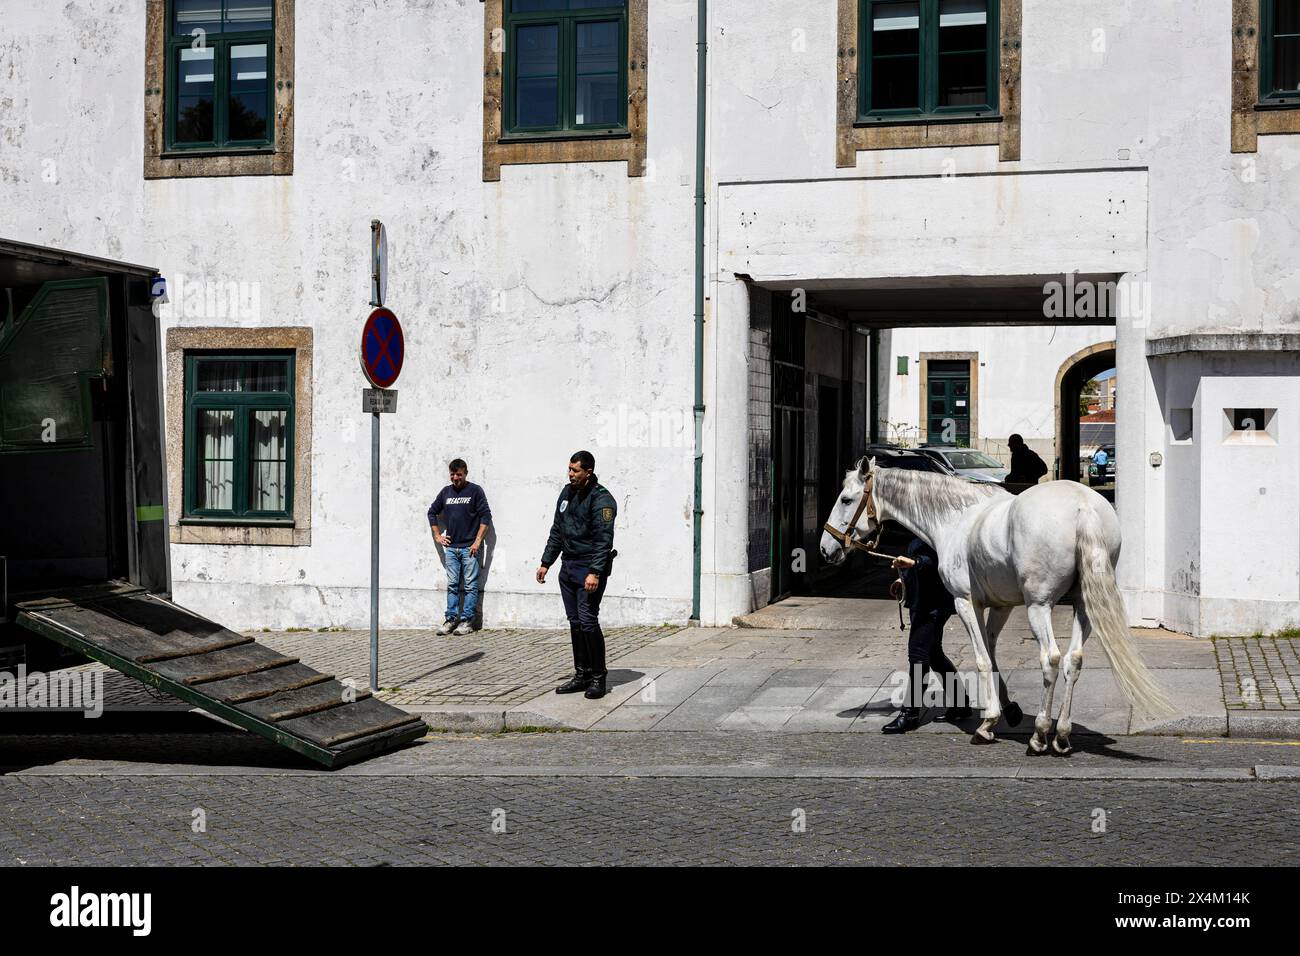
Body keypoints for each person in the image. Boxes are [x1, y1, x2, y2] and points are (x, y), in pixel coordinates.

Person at [536, 450, 618, 700]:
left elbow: (604, 540)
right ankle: (581, 674)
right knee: (575, 621)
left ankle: (598, 677)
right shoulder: (567, 493)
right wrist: (545, 562)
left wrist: (595, 572)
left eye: (575, 471)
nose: (570, 474)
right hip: (568, 566)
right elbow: (557, 530)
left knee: (588, 620)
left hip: (588, 568)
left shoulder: (602, 499)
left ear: (588, 472)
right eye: (569, 470)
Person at [882, 536, 969, 734]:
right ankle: (960, 704)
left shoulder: (936, 530)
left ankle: (910, 714)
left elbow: (942, 560)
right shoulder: (917, 533)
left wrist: (915, 562)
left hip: (934, 604)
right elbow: (915, 561)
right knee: (934, 655)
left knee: (918, 654)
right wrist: (901, 577)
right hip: (922, 601)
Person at [428, 459, 492, 635]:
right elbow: (432, 512)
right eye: (452, 474)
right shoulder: (446, 492)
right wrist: (438, 536)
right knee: (453, 585)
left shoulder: (475, 491)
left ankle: (467, 622)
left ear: (465, 473)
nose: (455, 478)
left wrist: (478, 541)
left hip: (469, 548)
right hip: (452, 548)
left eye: (459, 474)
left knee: (471, 585)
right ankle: (450, 620)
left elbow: (486, 516)